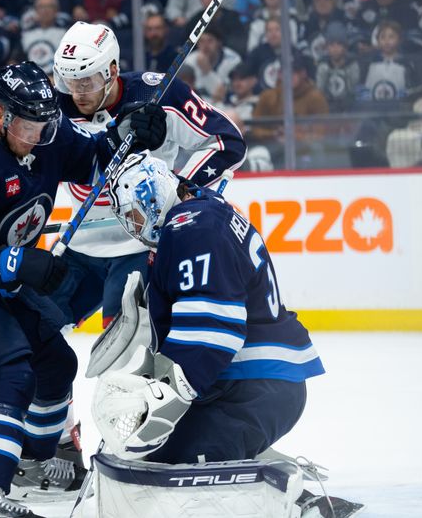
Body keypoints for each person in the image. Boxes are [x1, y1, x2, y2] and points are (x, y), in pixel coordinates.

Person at [0, 61, 168, 518]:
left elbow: (97, 157)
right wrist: (17, 261)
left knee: (56, 365)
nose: (38, 135)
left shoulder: (49, 132)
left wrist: (130, 133)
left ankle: (31, 464)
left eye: (45, 123)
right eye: (27, 125)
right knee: (12, 373)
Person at [88, 152, 325, 513]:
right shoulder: (202, 212)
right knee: (151, 453)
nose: (135, 227)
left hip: (251, 387)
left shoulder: (192, 226)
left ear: (151, 196)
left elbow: (212, 326)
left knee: (158, 464)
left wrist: (168, 390)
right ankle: (263, 466)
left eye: (134, 214)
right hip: (248, 382)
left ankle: (289, 498)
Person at [49, 20, 246, 332]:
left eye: (86, 81)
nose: (77, 92)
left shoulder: (158, 93)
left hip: (141, 249)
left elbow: (228, 141)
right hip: (79, 243)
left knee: (123, 354)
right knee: (33, 333)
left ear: (111, 70)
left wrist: (181, 190)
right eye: (70, 81)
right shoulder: (54, 109)